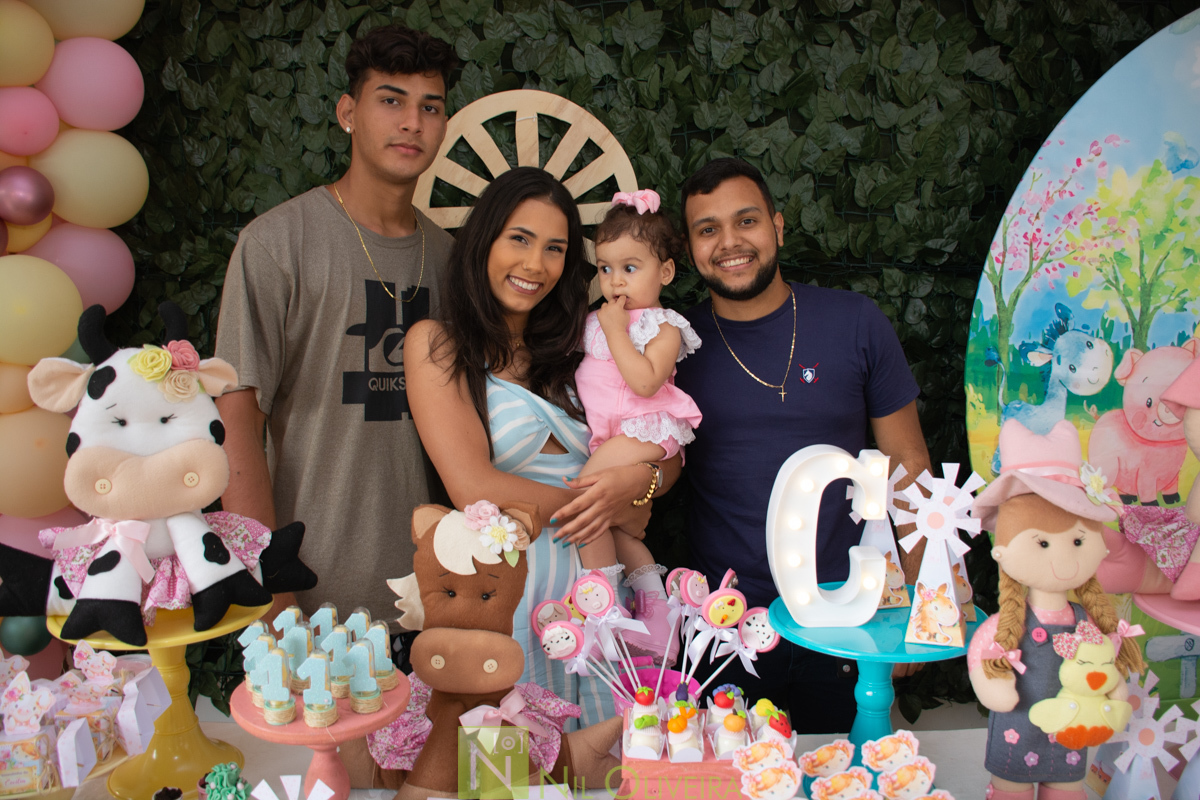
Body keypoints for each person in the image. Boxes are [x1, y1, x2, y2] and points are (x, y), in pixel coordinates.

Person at [402, 167, 682, 727]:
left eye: (554, 249)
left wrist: (638, 484)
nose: (536, 265)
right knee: (514, 768)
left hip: (599, 601)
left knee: (610, 762)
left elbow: (662, 441)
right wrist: (609, 503)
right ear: (484, 240)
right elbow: (473, 486)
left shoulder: (585, 342)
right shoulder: (437, 344)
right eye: (520, 239)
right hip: (508, 601)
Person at [673, 158, 933, 733]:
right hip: (726, 630)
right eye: (707, 229)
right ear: (689, 248)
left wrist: (917, 603)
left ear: (778, 227)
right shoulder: (672, 351)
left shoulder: (856, 323)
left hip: (849, 620)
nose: (730, 242)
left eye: (747, 221)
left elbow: (908, 467)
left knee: (849, 779)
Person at [214, 24, 457, 635]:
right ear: (349, 112)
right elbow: (236, 417)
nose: (412, 123)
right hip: (312, 599)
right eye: (391, 100)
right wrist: (268, 583)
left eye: (430, 107)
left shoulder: (454, 260)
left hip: (439, 595)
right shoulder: (277, 244)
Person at [566, 189, 701, 665]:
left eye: (630, 267)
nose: (615, 281)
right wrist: (607, 327)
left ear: (664, 272)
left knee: (585, 499)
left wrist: (618, 331)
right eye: (605, 268)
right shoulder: (595, 321)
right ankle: (656, 613)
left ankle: (599, 606)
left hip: (646, 431)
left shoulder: (663, 326)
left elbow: (645, 382)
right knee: (623, 529)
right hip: (613, 438)